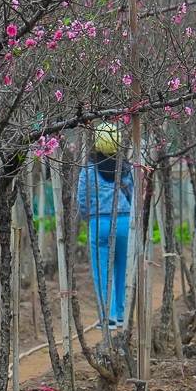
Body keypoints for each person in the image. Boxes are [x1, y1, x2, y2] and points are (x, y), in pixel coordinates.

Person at [78, 122, 132, 328]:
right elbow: (135, 194)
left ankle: (106, 315)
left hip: (99, 221)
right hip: (125, 222)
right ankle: (120, 313)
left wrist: (88, 217)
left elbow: (82, 197)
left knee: (102, 271)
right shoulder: (126, 167)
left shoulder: (89, 169)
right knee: (122, 268)